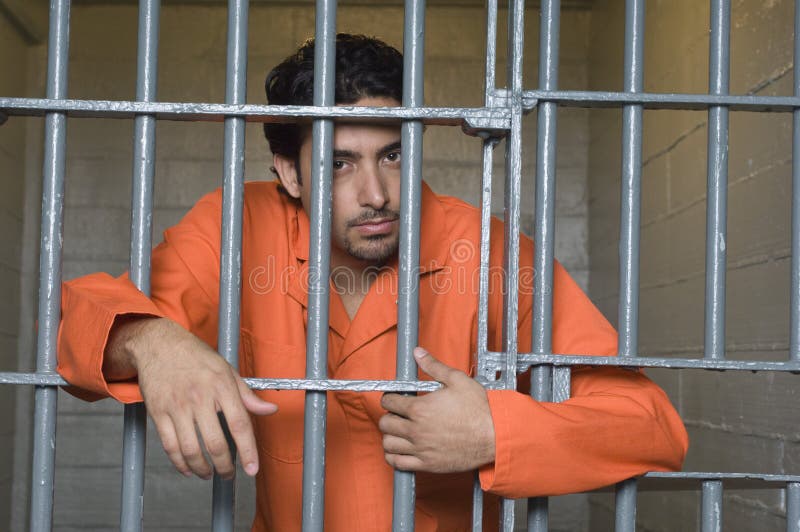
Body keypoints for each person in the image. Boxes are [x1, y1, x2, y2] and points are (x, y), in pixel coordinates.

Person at [57, 33, 688, 531]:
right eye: (339, 164)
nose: (378, 194)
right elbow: (79, 322)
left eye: (392, 155)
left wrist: (498, 431)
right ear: (291, 173)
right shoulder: (237, 225)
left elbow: (650, 424)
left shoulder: (490, 252)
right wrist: (154, 343)